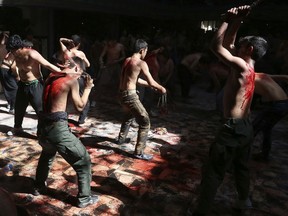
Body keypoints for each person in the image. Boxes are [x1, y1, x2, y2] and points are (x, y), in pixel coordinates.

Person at [188, 5, 268, 216]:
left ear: (249, 50)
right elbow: (229, 42)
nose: (237, 45)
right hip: (245, 127)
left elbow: (216, 46)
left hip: (231, 129)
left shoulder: (240, 66)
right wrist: (239, 19)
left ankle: (201, 212)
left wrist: (225, 19)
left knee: (213, 171)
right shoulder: (249, 66)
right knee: (241, 167)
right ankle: (244, 201)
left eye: (243, 45)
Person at [34, 56, 98, 208]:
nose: (80, 77)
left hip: (42, 128)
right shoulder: (71, 80)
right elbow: (80, 107)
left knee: (47, 155)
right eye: (80, 74)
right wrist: (88, 87)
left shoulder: (51, 76)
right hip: (57, 129)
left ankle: (38, 187)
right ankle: (84, 198)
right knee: (83, 161)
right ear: (77, 68)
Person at [116, 39, 166, 161]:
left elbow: (133, 79)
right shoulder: (141, 63)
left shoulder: (127, 60)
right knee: (145, 121)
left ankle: (121, 138)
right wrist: (162, 88)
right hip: (130, 95)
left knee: (128, 115)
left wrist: (150, 86)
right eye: (146, 51)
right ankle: (138, 152)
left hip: (121, 93)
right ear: (142, 50)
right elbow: (151, 81)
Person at [6, 34, 62, 135]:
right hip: (23, 85)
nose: (13, 53)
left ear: (20, 47)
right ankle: (17, 127)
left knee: (41, 111)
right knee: (19, 107)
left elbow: (47, 64)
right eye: (11, 50)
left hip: (35, 85)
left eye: (14, 50)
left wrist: (63, 73)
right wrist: (18, 76)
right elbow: (15, 66)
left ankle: (45, 132)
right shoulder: (15, 55)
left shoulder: (32, 54)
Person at [252, 72, 288, 161]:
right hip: (284, 103)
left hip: (275, 106)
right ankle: (264, 155)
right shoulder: (261, 75)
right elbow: (286, 77)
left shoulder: (247, 78)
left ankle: (240, 156)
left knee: (253, 130)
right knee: (266, 129)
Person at [58, 35, 91, 126]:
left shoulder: (66, 52)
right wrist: (83, 59)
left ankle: (64, 118)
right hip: (77, 77)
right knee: (85, 99)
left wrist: (65, 40)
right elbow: (88, 65)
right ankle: (81, 120)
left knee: (66, 98)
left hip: (66, 77)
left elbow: (60, 41)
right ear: (79, 44)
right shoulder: (80, 53)